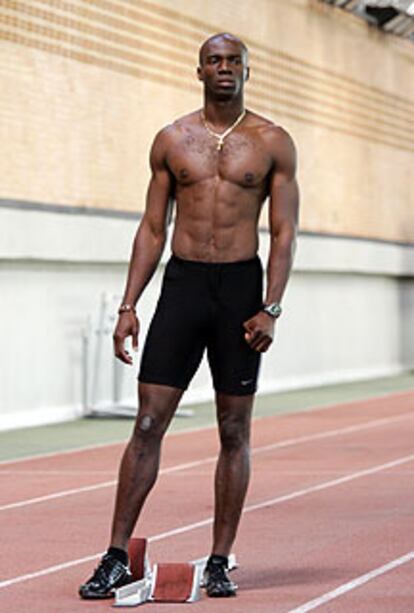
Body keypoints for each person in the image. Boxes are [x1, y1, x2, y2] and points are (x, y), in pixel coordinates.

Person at [79, 31, 299, 600]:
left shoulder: (272, 141)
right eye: (214, 61)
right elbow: (153, 228)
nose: (224, 69)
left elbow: (282, 233)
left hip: (239, 289)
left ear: (248, 72)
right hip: (182, 288)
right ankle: (114, 556)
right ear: (198, 71)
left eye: (234, 62)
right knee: (148, 423)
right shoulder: (173, 140)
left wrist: (270, 306)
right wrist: (129, 304)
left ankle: (220, 559)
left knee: (233, 429)